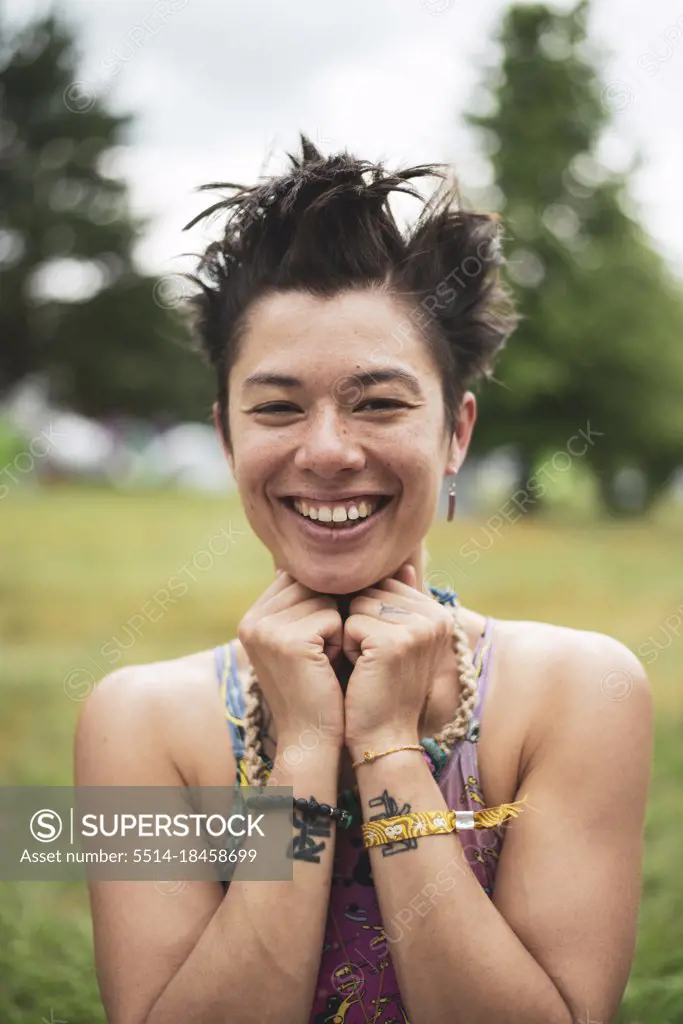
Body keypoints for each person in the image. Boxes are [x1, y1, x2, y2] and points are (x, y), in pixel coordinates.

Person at [75, 135, 653, 1024]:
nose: (328, 451)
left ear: (455, 433)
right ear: (227, 437)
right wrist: (306, 747)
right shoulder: (133, 720)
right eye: (275, 408)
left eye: (379, 402)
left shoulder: (586, 690)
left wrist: (384, 744)